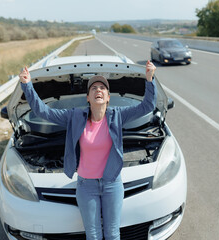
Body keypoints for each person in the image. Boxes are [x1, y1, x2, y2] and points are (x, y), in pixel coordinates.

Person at [19, 60, 157, 240]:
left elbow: (147, 106)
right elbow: (44, 112)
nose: (98, 90)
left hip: (112, 184)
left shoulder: (117, 116)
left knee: (113, 233)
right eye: (93, 88)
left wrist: (149, 79)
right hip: (86, 186)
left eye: (102, 88)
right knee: (93, 235)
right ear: (88, 97)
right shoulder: (75, 116)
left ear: (108, 97)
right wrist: (27, 85)